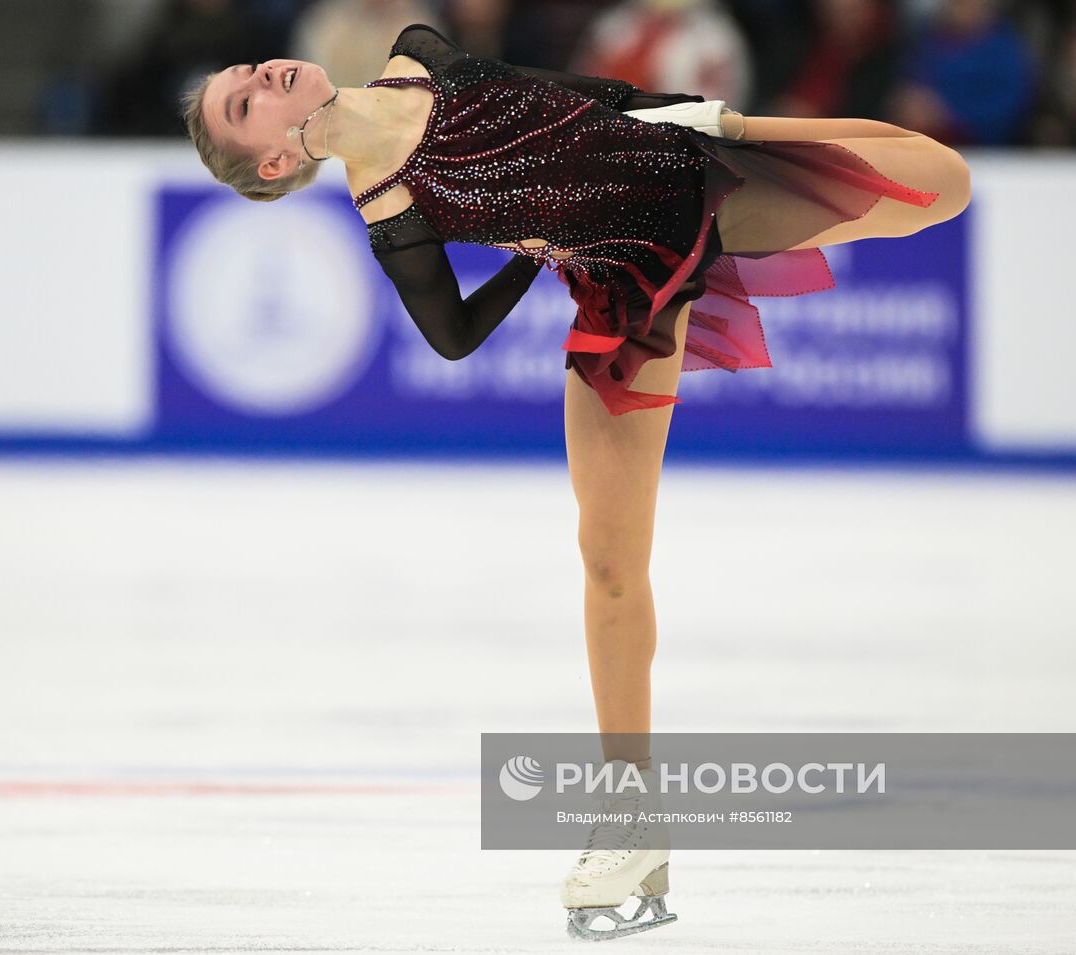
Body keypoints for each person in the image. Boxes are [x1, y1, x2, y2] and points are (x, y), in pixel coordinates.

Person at [181, 21, 970, 940]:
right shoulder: (388, 200)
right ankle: (631, 817)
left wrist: (706, 121)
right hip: (623, 283)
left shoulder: (415, 55)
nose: (261, 74)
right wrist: (535, 250)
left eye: (246, 71)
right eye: (247, 103)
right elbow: (453, 336)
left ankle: (747, 130)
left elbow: (552, 85)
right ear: (275, 161)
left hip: (693, 161)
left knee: (942, 181)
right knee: (607, 559)